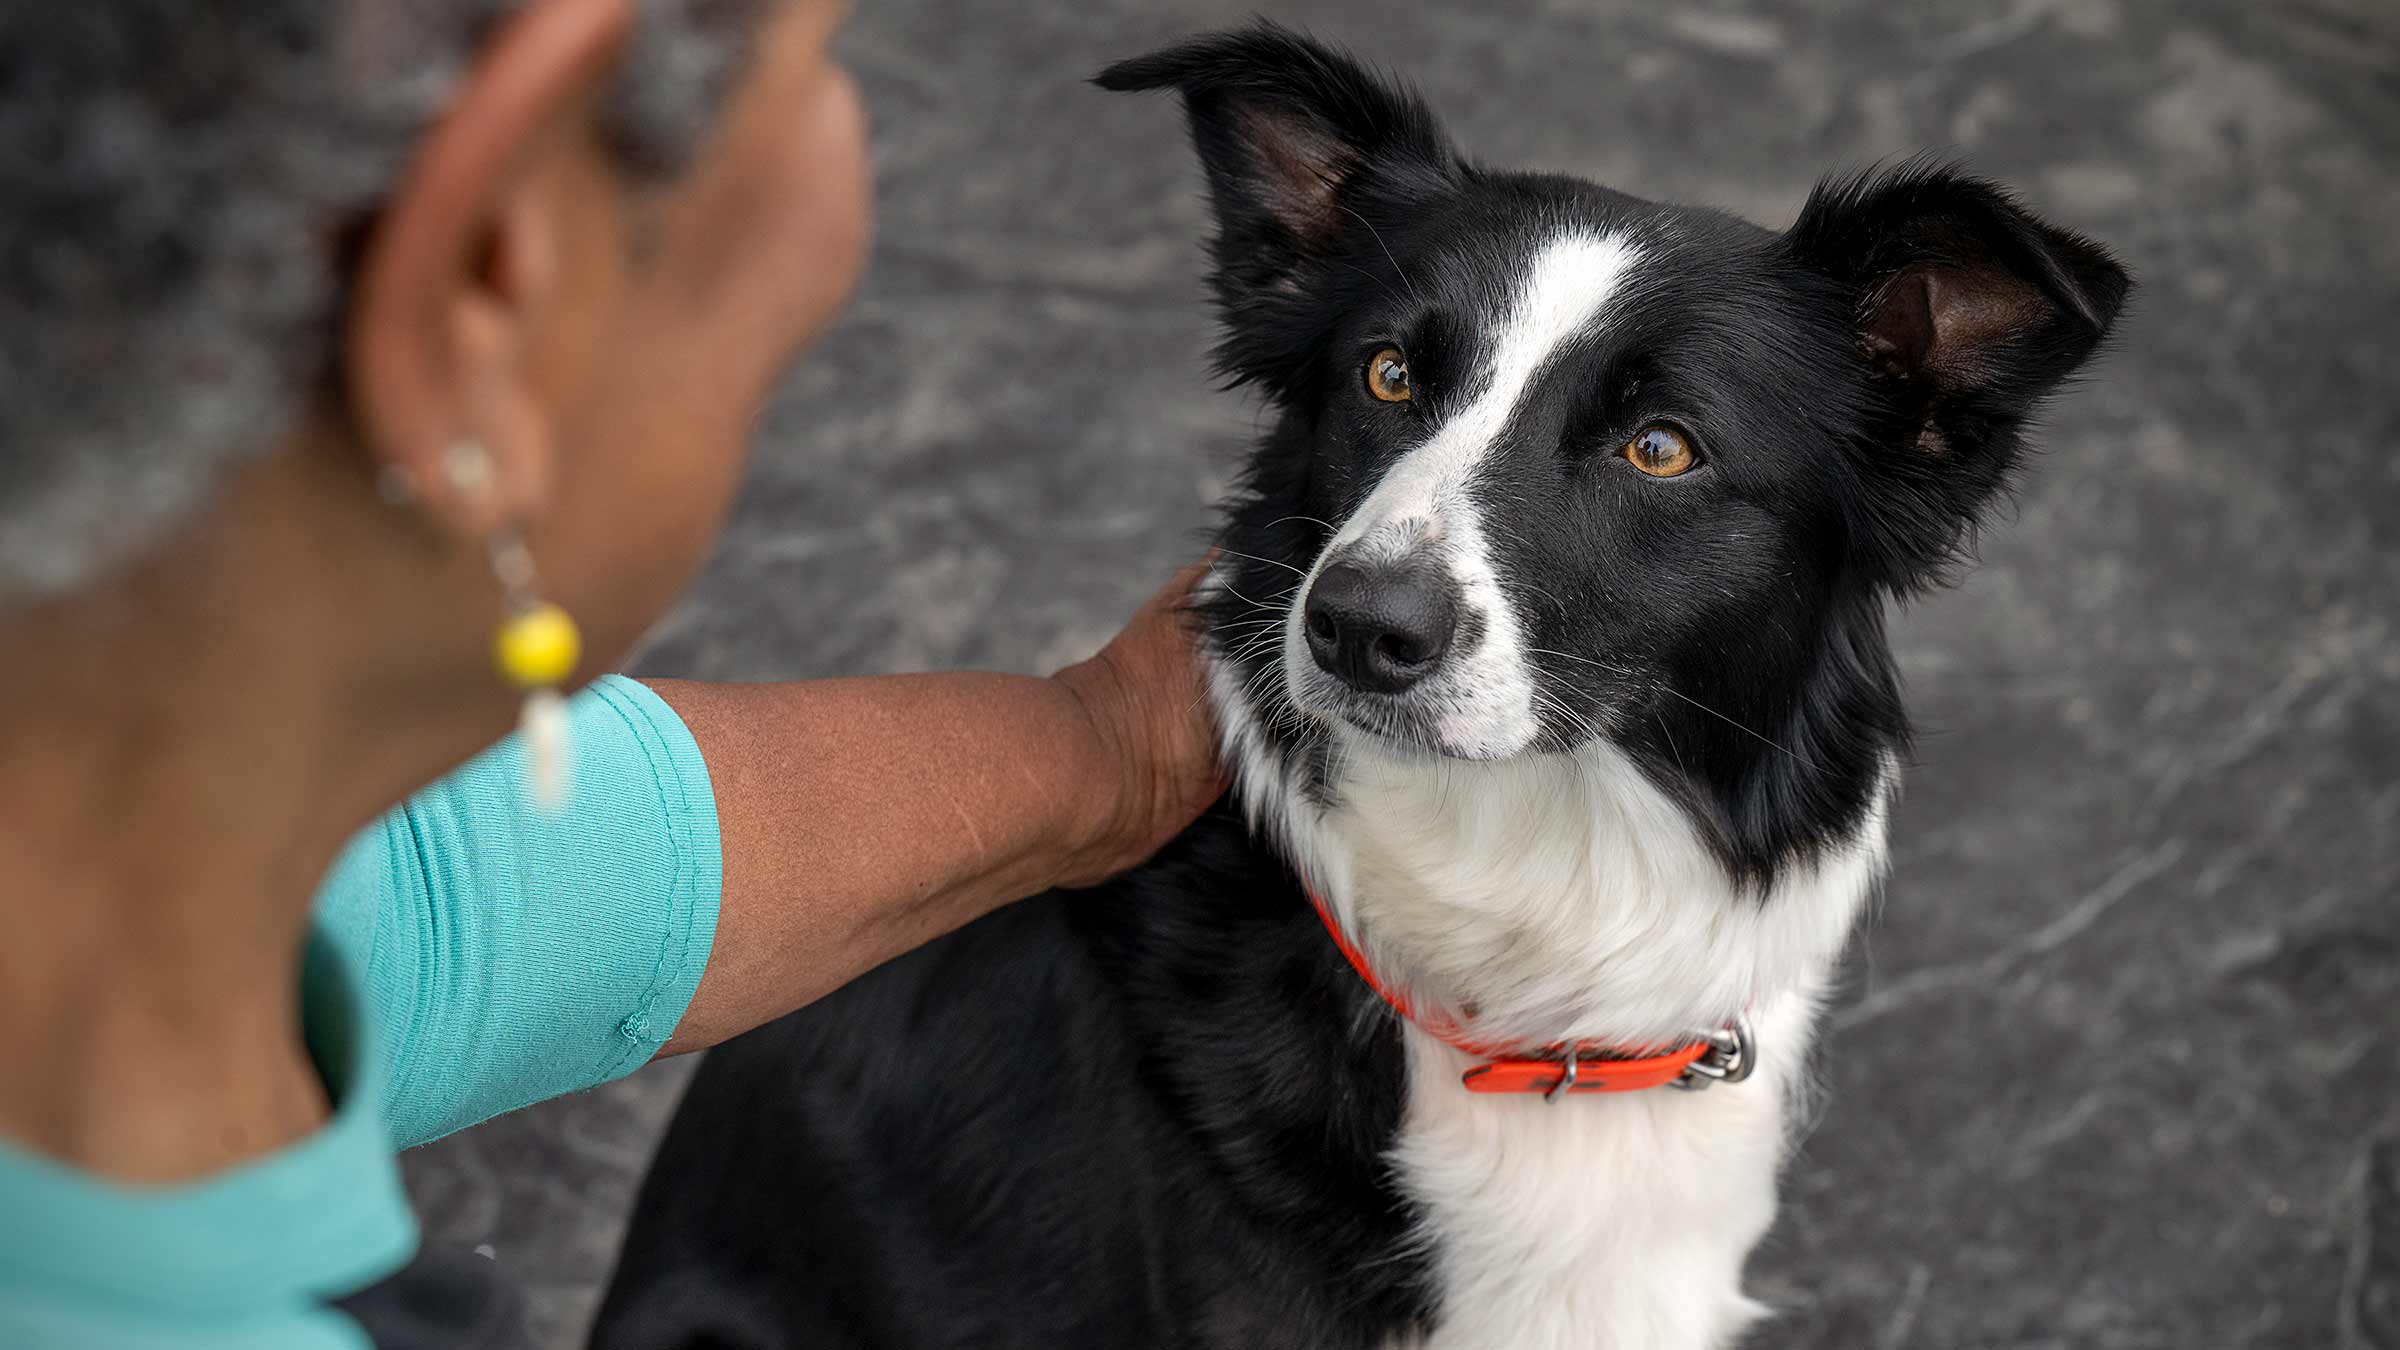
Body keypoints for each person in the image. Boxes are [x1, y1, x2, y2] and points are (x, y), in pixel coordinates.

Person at [0, 0, 1225, 1344]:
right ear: (494, 268)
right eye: (822, 64)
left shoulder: (151, 849)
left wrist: (1104, 749)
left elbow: (496, 878)